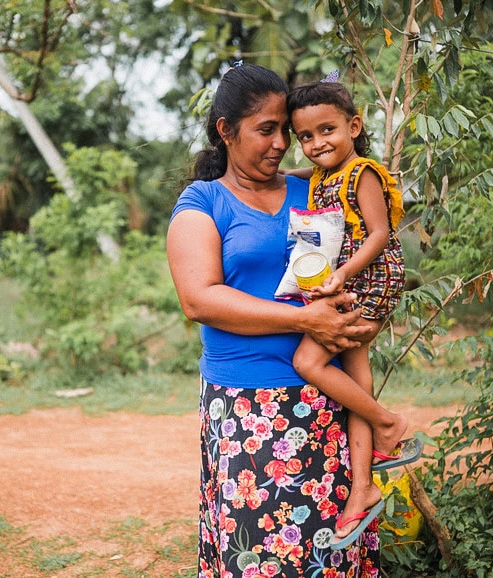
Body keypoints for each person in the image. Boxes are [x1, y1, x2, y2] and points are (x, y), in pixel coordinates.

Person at [167, 62, 382, 578]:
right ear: (226, 130)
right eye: (266, 129)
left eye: (285, 129)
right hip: (248, 410)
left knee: (332, 550)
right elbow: (200, 299)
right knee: (260, 552)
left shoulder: (313, 189)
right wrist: (306, 323)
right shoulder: (203, 203)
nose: (281, 142)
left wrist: (360, 320)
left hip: (328, 400)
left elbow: (367, 242)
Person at [286, 79, 420, 549]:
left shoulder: (361, 172)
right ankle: (361, 487)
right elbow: (297, 177)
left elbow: (380, 233)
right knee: (355, 376)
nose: (317, 142)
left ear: (354, 126)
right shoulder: (321, 175)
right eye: (305, 136)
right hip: (352, 280)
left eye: (328, 130)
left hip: (370, 278)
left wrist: (341, 275)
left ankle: (388, 423)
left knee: (309, 361)